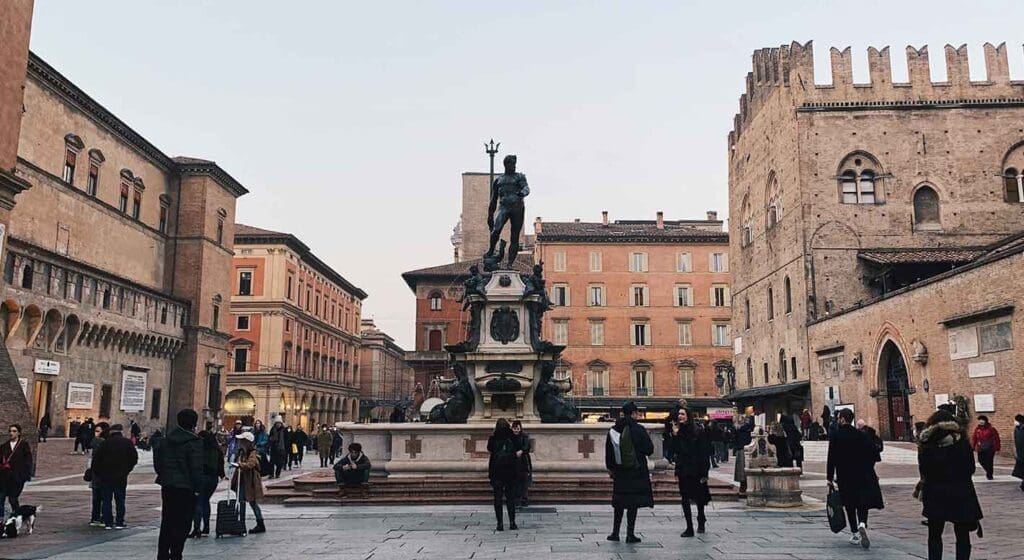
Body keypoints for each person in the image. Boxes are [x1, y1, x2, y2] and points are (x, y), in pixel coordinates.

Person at [918, 409, 984, 560]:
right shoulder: (961, 442)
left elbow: (924, 470)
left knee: (934, 534)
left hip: (935, 493)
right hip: (960, 492)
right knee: (962, 534)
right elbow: (970, 468)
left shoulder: (927, 443)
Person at [826, 408, 884, 549]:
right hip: (861, 474)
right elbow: (873, 452)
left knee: (850, 504)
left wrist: (829, 476)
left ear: (843, 419)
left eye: (839, 417)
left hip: (844, 475)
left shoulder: (836, 435)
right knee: (861, 502)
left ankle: (854, 533)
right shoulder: (860, 435)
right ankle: (862, 523)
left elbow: (831, 457)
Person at [155, 409, 203, 560]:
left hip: (168, 486)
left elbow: (158, 464)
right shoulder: (194, 442)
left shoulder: (164, 441)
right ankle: (176, 554)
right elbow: (195, 467)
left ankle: (162, 555)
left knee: (167, 520)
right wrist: (197, 488)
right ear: (194, 423)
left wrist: (165, 477)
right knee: (183, 523)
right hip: (186, 488)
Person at [605, 402, 654, 543]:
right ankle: (630, 534)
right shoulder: (639, 429)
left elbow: (609, 453)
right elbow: (649, 450)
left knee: (619, 502)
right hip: (636, 472)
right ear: (633, 413)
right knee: (632, 503)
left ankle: (615, 533)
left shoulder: (614, 430)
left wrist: (611, 469)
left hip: (620, 472)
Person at [668, 407, 712, 537]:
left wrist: (705, 473)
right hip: (683, 469)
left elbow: (704, 452)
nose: (680, 416)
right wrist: (675, 436)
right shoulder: (677, 431)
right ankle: (689, 527)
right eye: (679, 414)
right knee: (685, 498)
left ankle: (701, 519)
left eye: (683, 414)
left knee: (699, 497)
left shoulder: (698, 431)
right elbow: (674, 452)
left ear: (688, 415)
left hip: (696, 469)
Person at [92, 424, 138, 530]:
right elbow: (134, 459)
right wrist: (127, 470)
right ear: (121, 432)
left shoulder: (105, 444)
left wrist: (100, 474)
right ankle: (119, 522)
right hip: (121, 476)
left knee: (106, 500)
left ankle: (108, 522)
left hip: (106, 476)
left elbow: (96, 461)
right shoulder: (127, 443)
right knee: (120, 499)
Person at [191, 428, 225, 538]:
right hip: (213, 479)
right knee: (206, 501)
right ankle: (206, 527)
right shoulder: (217, 450)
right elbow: (221, 466)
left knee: (198, 502)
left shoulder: (199, 449)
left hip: (202, 477)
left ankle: (196, 528)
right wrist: (222, 475)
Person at [487, 419, 519, 531]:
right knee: (510, 498)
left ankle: (500, 523)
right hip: (510, 472)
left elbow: (489, 449)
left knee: (497, 498)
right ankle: (512, 522)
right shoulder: (512, 437)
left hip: (496, 472)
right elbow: (518, 448)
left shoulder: (493, 438)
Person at [232, 431, 266, 534]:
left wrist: (240, 465)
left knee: (251, 502)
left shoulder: (253, 452)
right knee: (243, 501)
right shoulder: (243, 452)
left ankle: (259, 523)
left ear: (248, 442)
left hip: (250, 481)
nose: (240, 443)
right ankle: (240, 523)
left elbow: (251, 464)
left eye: (242, 441)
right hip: (244, 480)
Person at [0, 424, 33, 522]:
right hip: (4, 477)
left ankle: (17, 517)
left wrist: (24, 475)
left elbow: (28, 461)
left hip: (17, 477)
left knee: (13, 499)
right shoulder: (3, 446)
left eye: (14, 431)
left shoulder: (23, 445)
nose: (11, 433)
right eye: (10, 431)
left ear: (18, 433)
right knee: (1, 498)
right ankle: (1, 519)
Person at [88, 422, 110, 527]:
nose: (96, 433)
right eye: (95, 431)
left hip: (97, 473)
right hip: (100, 473)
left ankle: (95, 517)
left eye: (98, 431)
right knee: (102, 497)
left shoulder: (97, 442)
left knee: (97, 497)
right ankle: (100, 517)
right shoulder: (101, 442)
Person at [970, 415, 1000, 480]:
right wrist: (973, 446)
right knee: (981, 460)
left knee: (989, 461)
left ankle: (989, 475)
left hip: (990, 448)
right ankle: (988, 471)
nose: (981, 421)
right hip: (980, 448)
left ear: (985, 421)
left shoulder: (991, 429)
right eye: (980, 420)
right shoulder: (977, 429)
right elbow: (974, 438)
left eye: (982, 420)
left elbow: (996, 438)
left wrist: (997, 447)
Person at [510, 420, 532, 507]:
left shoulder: (524, 436)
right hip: (513, 462)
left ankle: (524, 499)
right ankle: (516, 499)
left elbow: (527, 446)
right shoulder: (509, 437)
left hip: (523, 461)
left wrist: (522, 451)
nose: (516, 430)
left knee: (524, 481)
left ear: (520, 428)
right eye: (514, 428)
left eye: (517, 428)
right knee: (514, 481)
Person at [733, 416, 754, 495]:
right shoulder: (749, 430)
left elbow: (735, 439)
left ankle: (743, 487)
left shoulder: (740, 430)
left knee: (741, 470)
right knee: (745, 469)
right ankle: (745, 487)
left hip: (741, 449)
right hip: (748, 450)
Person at [1013, 414, 1024, 492]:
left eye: (1017, 420)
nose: (1015, 422)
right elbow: (1016, 441)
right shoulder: (1017, 429)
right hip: (1020, 453)